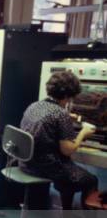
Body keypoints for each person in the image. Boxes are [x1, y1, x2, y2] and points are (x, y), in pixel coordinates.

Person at [20, 71, 98, 210]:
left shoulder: (34, 106)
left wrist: (66, 118)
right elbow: (67, 151)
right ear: (68, 96)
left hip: (26, 163)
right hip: (46, 168)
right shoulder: (61, 114)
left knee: (69, 176)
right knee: (91, 180)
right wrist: (83, 133)